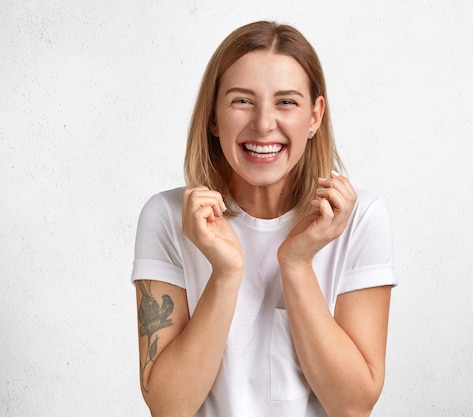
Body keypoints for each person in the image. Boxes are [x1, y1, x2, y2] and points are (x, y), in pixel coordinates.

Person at [131, 20, 397, 417]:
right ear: (213, 116)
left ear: (314, 116)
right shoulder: (168, 218)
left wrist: (297, 263)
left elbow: (353, 405)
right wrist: (225, 273)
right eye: (242, 100)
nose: (263, 124)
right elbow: (168, 407)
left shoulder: (358, 220)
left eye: (286, 102)